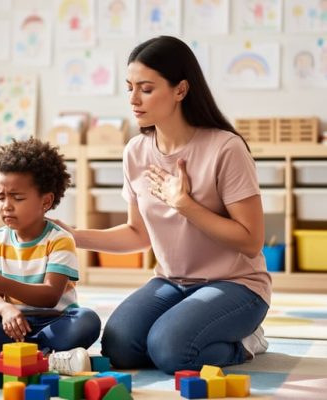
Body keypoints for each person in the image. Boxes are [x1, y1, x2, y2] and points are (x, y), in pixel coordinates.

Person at [55, 36, 272, 374]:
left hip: (236, 285)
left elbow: (251, 240)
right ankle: (192, 328)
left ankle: (246, 342)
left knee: (170, 350)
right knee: (120, 347)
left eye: (145, 88)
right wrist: (74, 235)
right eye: (130, 87)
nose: (133, 99)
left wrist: (185, 205)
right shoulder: (136, 152)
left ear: (180, 90)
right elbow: (137, 233)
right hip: (172, 281)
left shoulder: (225, 148)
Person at [0, 138, 101, 375]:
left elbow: (50, 296)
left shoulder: (60, 239)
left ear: (45, 201)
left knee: (87, 320)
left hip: (54, 323)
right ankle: (47, 357)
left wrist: (4, 284)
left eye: (18, 198)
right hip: (12, 324)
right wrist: (4, 309)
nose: (6, 206)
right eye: (1, 196)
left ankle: (13, 354)